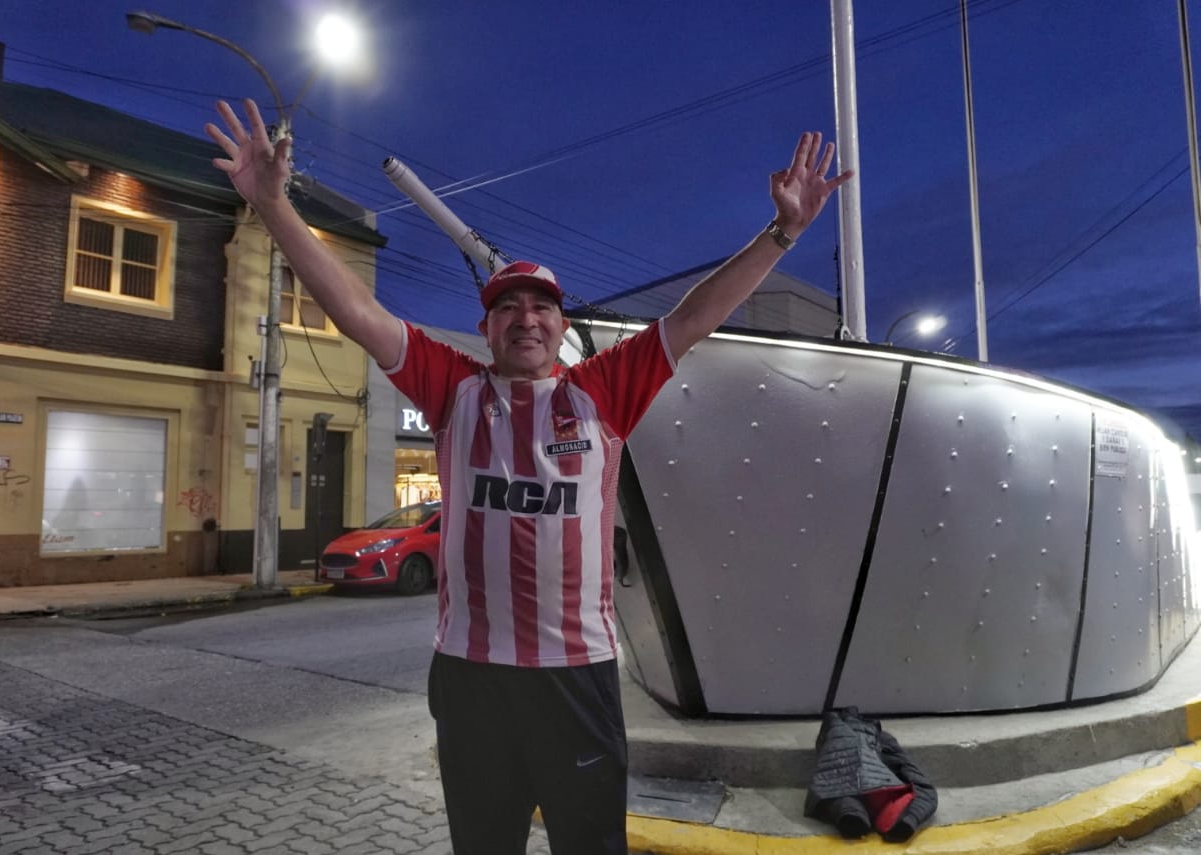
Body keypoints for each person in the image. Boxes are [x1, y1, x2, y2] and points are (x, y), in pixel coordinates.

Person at [207, 98, 852, 855]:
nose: (525, 318)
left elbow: (694, 315)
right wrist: (274, 204)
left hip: (576, 677)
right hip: (471, 676)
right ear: (485, 328)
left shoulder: (601, 392)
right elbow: (354, 309)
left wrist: (781, 233)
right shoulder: (453, 390)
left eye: (542, 307)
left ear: (558, 325)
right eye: (506, 306)